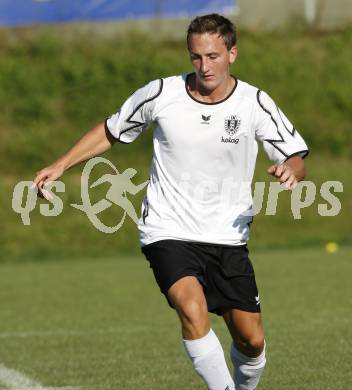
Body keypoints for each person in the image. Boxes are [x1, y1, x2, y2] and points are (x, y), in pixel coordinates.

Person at [33, 14, 308, 390]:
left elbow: (295, 154)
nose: (204, 66)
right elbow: (111, 131)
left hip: (228, 235)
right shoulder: (162, 94)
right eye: (196, 57)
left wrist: (292, 170)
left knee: (251, 340)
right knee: (192, 309)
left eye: (213, 56)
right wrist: (60, 164)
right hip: (167, 228)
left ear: (233, 53)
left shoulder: (254, 103)